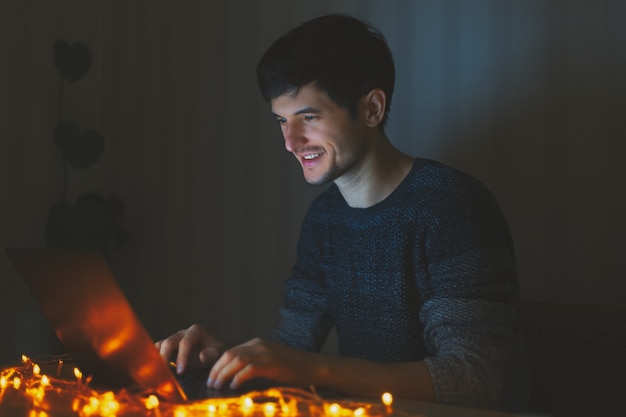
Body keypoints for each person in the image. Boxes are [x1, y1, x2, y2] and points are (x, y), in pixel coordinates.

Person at [156, 14, 529, 411]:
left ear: (371, 109)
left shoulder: (453, 207)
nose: (290, 142)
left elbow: (473, 379)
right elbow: (293, 351)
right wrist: (224, 359)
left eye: (309, 118)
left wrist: (312, 369)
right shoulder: (325, 219)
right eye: (282, 121)